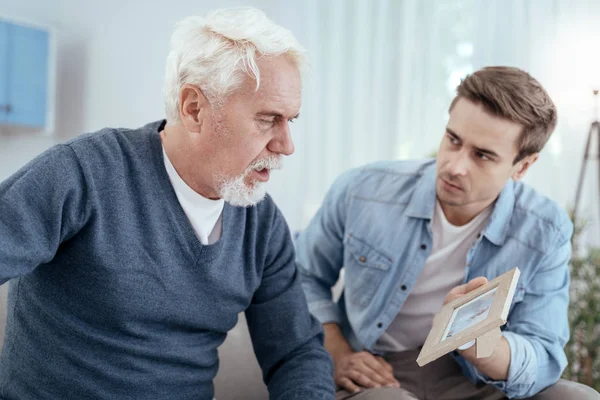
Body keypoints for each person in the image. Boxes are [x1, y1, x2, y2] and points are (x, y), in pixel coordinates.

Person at [0, 7, 334, 399]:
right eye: (267, 119)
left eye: (289, 121)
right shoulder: (82, 174)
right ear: (194, 108)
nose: (286, 146)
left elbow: (297, 352)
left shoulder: (261, 224)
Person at [296, 66, 600, 399]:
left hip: (474, 376)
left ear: (522, 166)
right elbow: (302, 275)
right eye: (453, 140)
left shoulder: (546, 229)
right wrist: (338, 353)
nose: (455, 166)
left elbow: (543, 352)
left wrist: (479, 343)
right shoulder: (363, 191)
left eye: (482, 155)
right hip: (379, 371)